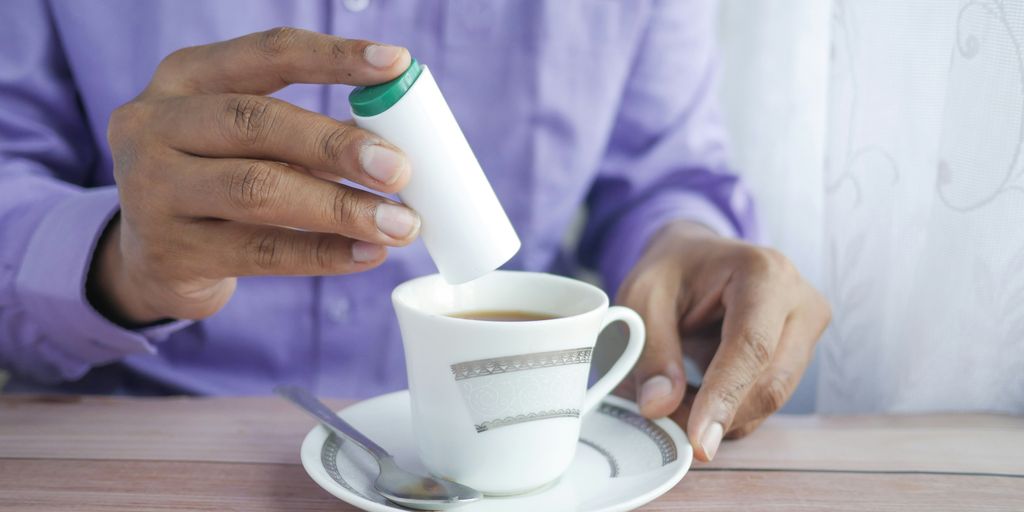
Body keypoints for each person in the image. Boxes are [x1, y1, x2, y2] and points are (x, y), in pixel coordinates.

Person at [0, 1, 829, 462]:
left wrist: (684, 245)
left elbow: (660, 176)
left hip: (518, 458)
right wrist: (125, 264)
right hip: (151, 453)